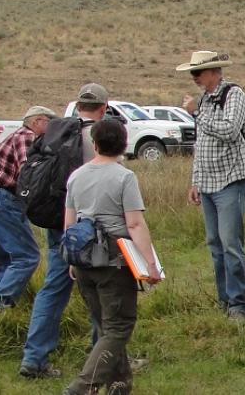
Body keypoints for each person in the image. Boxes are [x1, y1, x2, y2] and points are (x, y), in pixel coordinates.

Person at [61, 119, 162, 395]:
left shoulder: (76, 176)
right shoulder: (124, 177)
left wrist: (71, 261)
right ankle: (82, 387)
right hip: (114, 260)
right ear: (124, 144)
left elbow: (69, 224)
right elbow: (135, 224)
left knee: (106, 328)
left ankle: (119, 387)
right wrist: (150, 264)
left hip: (83, 259)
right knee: (118, 327)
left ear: (94, 144)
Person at [20, 83, 109, 379]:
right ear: (103, 108)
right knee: (102, 288)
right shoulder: (100, 136)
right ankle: (105, 356)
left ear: (77, 106)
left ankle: (34, 358)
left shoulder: (57, 132)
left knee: (54, 287)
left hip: (59, 219)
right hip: (90, 226)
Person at [178, 51, 245, 318]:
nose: (194, 77)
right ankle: (226, 300)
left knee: (231, 243)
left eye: (197, 72)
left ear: (213, 72)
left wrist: (197, 113)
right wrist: (195, 181)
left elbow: (229, 130)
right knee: (215, 244)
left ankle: (239, 304)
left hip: (231, 178)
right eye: (193, 73)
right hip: (208, 182)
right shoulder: (205, 100)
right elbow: (201, 145)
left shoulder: (234, 95)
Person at [0, 105, 56, 311]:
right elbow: (29, 173)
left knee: (4, 259)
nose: (53, 128)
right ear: (37, 121)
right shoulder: (27, 137)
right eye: (50, 122)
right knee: (27, 257)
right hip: (2, 198)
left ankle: (3, 312)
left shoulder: (15, 135)